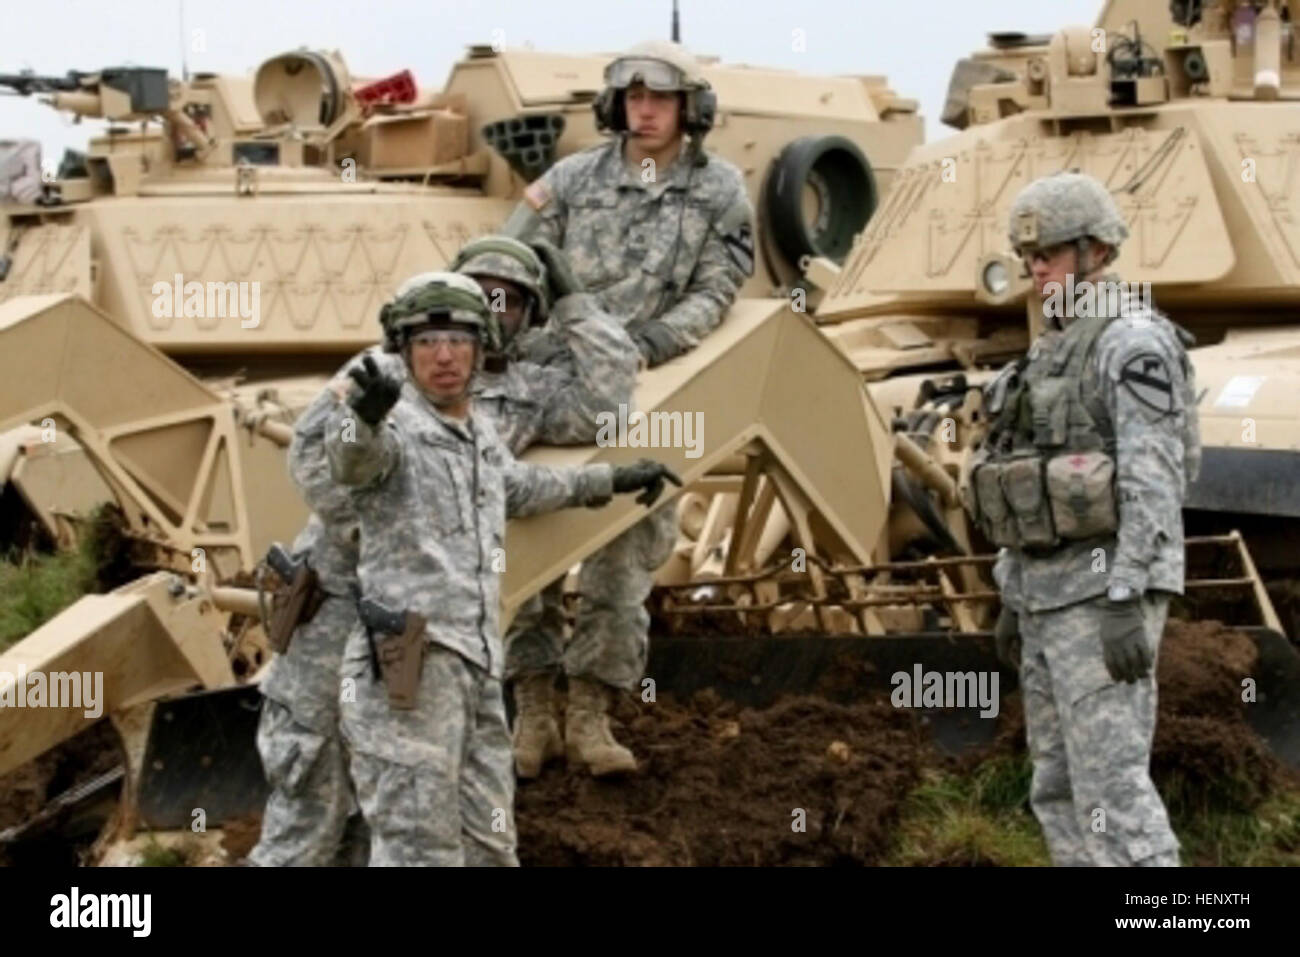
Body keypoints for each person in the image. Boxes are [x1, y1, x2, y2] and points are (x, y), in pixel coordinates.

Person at [324, 274, 677, 865]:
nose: (443, 355)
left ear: (481, 345)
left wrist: (611, 479)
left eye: (458, 340)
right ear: (404, 351)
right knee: (418, 845)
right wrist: (360, 421)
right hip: (410, 663)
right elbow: (351, 463)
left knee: (491, 843)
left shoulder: (478, 435)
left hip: (478, 666)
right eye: (427, 341)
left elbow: (521, 485)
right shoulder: (396, 430)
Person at [500, 39, 754, 776]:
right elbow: (506, 263)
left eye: (660, 98)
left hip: (647, 384)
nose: (644, 111)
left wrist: (651, 340)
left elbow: (716, 288)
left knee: (624, 550)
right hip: (550, 383)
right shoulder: (571, 180)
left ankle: (590, 716)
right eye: (633, 97)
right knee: (528, 546)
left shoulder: (719, 193)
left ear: (690, 108)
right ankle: (533, 714)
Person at [963, 172, 1201, 867]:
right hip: (1043, 596)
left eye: (1052, 254)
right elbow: (1020, 473)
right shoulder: (1049, 350)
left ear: (1096, 250)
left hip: (1101, 597)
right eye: (1030, 257)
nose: (1037, 270)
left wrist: (1128, 594)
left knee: (1112, 787)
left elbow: (1155, 479)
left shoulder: (1132, 344)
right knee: (1059, 784)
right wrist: (1011, 594)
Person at [248, 344, 401, 867]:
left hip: (407, 620)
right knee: (311, 782)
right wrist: (375, 529)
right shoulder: (381, 369)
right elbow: (310, 455)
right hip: (334, 604)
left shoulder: (501, 385)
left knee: (376, 796)